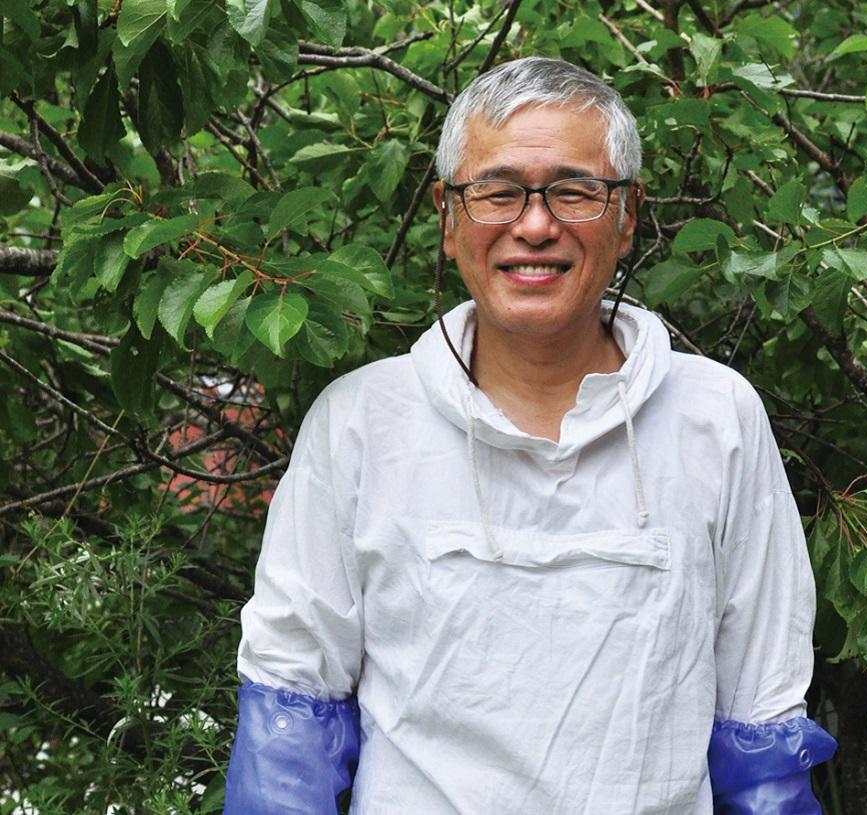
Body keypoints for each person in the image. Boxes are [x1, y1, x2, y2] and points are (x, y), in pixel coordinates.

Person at [223, 56, 836, 814]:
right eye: (498, 192)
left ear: (628, 214)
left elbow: (762, 717)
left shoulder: (718, 419)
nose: (536, 225)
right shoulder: (360, 424)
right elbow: (290, 714)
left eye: (574, 191)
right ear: (449, 218)